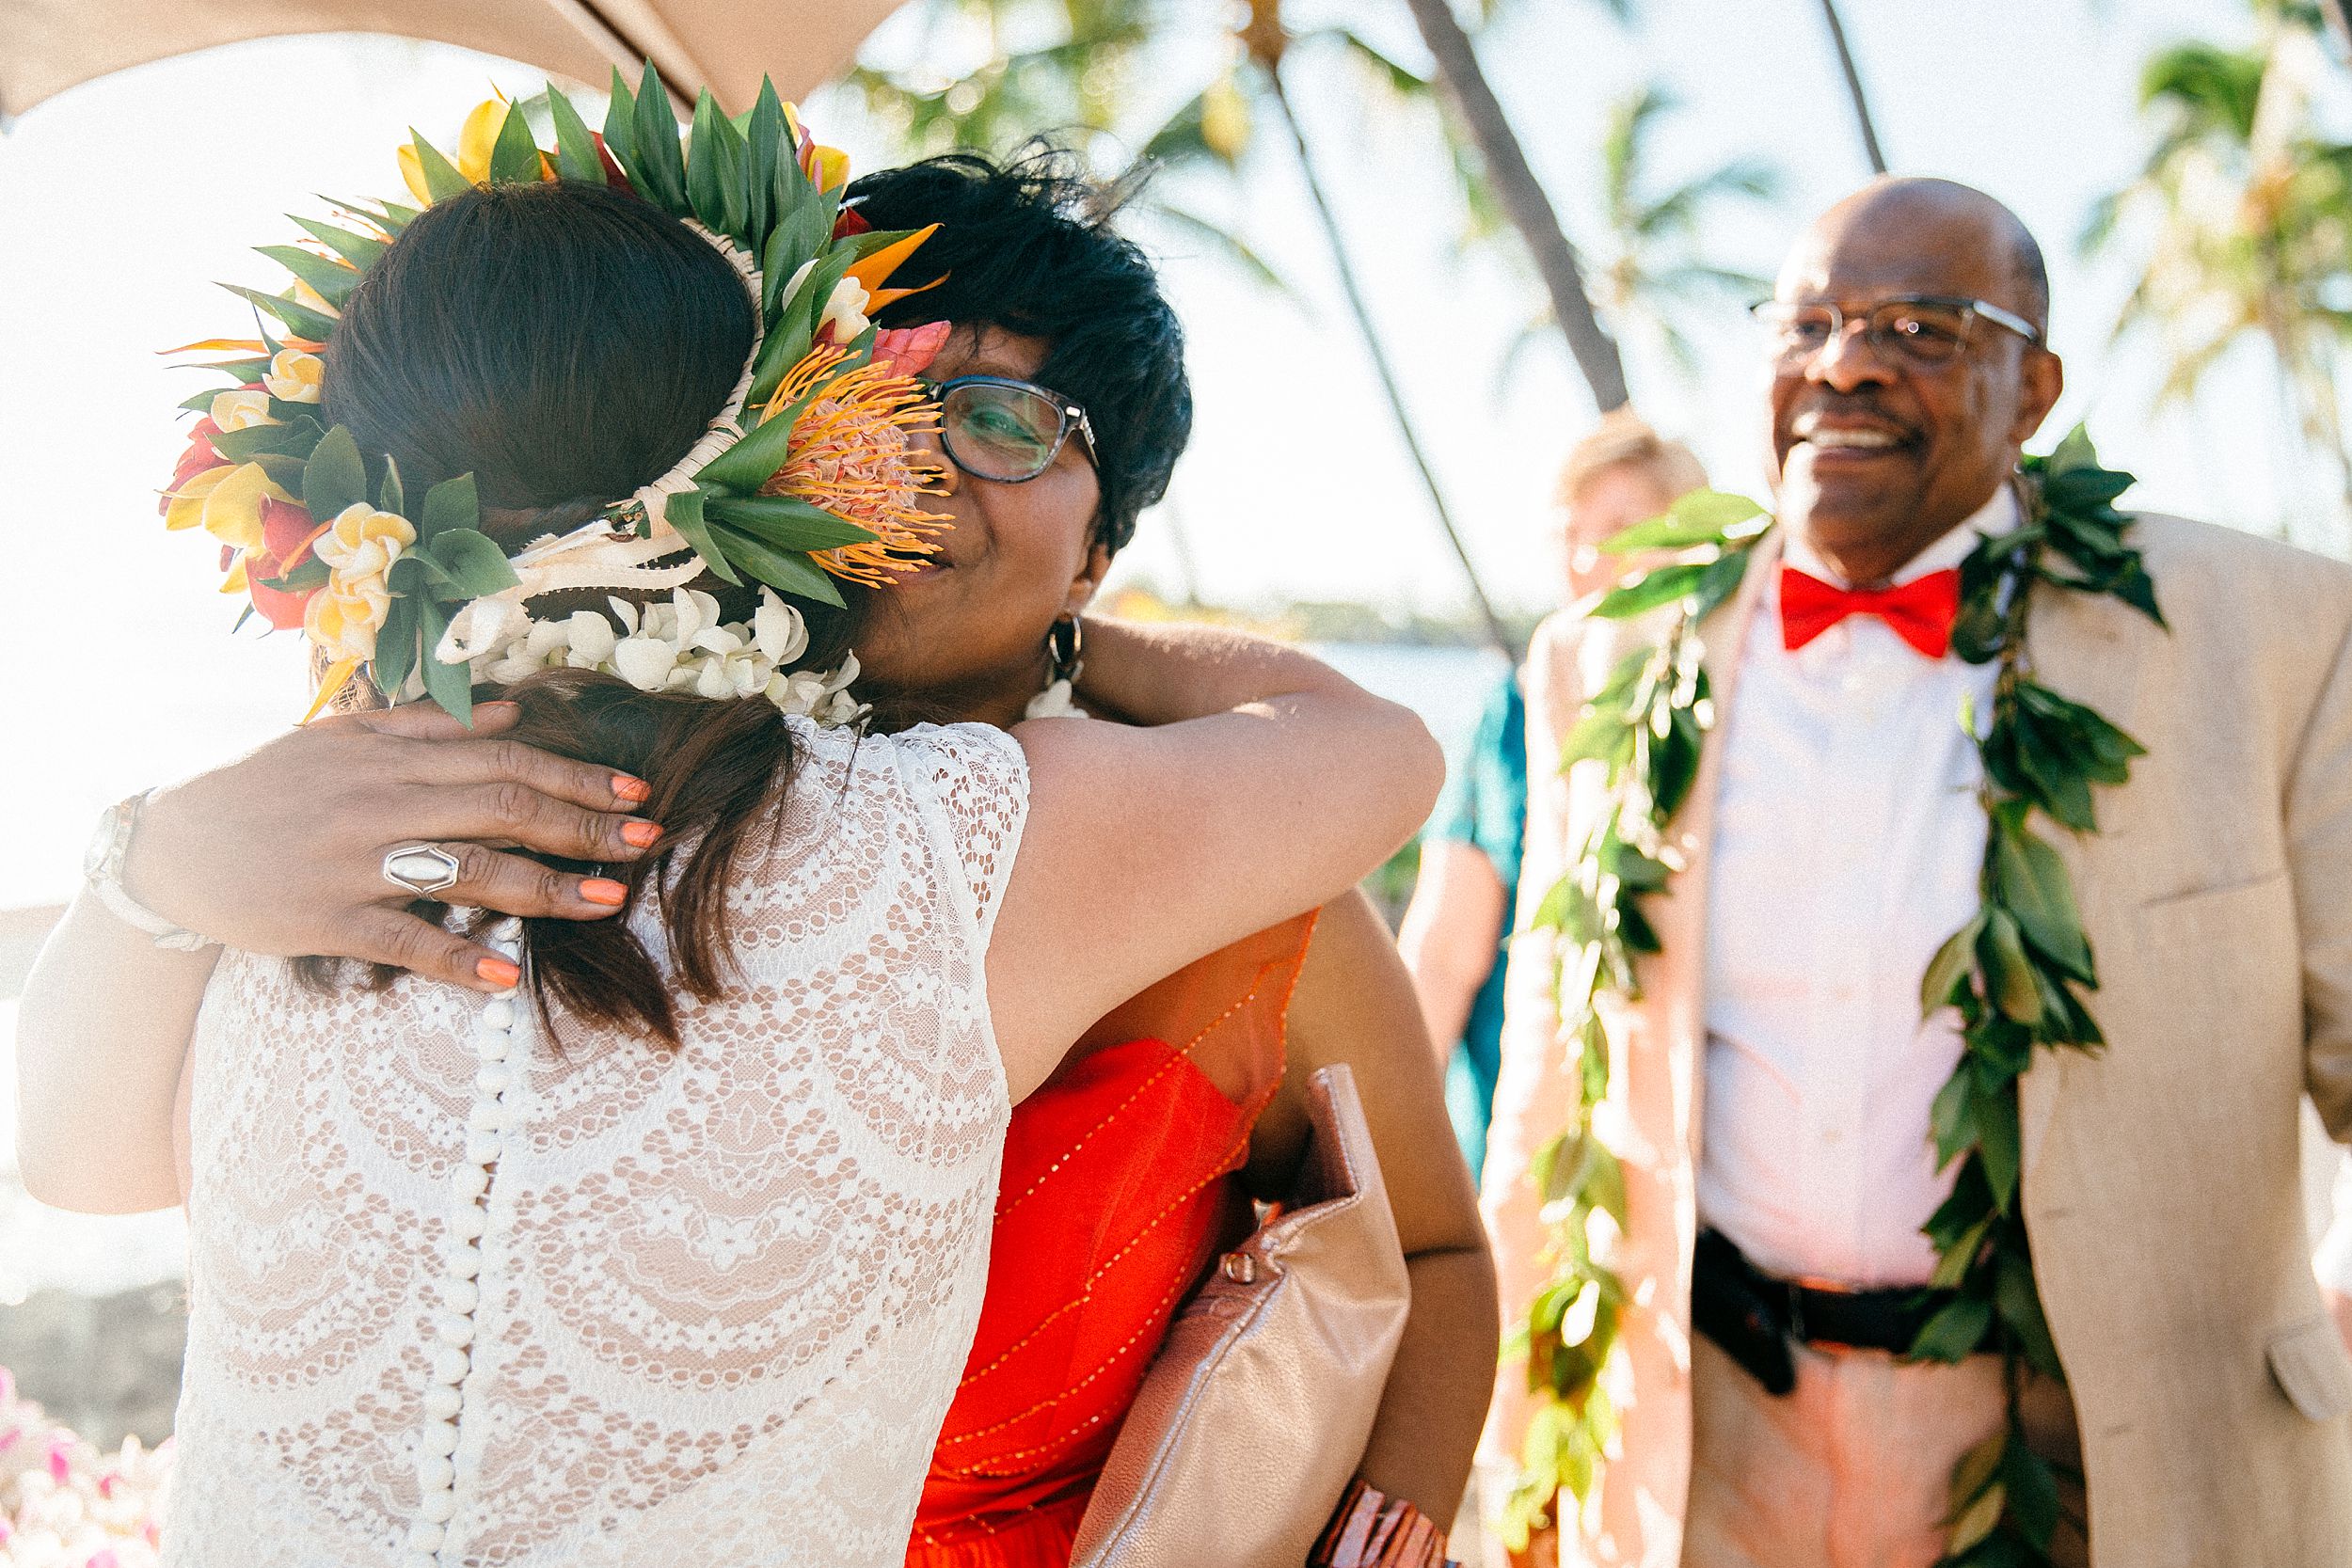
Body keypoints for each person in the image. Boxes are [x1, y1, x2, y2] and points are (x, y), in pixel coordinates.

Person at [20, 148, 1491, 1561]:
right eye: (865, 392)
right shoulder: (452, 793)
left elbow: (1435, 1250)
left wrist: (1393, 1529)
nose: (917, 454)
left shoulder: (1173, 868)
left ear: (1101, 542)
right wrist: (164, 854)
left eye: (1007, 425)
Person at [1480, 177, 2352, 1567]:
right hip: (1704, 1445)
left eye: (1924, 326)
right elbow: (1549, 1084)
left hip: (2087, 1462)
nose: (1848, 361)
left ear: (2034, 389)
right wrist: (1523, 1442)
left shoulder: (2270, 637)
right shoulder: (1609, 657)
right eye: (1809, 322)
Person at [1397, 411, 1704, 1180]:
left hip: (1683, 1148)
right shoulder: (1511, 713)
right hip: (1528, 1141)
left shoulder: (1727, 712)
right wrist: (1377, 1148)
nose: (1583, 558)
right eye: (1568, 531)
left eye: (1620, 525)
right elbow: (1441, 956)